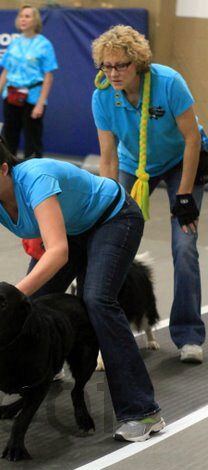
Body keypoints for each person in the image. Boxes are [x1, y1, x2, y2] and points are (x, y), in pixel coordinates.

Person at [0, 132, 165, 442]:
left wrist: (12, 299)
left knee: (96, 301)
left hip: (114, 218)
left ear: (4, 170)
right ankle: (38, 377)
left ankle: (142, 411)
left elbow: (57, 252)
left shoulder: (35, 180)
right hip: (73, 229)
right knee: (33, 304)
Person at [91, 25, 205, 364]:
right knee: (107, 241)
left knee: (184, 246)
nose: (113, 73)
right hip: (133, 164)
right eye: (106, 66)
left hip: (180, 161)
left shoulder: (169, 83)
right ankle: (110, 328)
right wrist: (105, 204)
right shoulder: (102, 97)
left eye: (120, 65)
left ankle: (188, 336)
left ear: (138, 63)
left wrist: (185, 196)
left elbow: (192, 139)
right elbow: (108, 157)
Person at [0, 4, 58, 159]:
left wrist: (40, 103)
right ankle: (9, 174)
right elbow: (5, 71)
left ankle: (35, 176)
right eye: (21, 16)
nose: (23, 19)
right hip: (11, 95)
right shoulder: (14, 43)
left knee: (33, 140)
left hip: (32, 97)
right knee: (9, 138)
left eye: (27, 16)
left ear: (35, 20)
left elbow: (49, 76)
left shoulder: (44, 44)